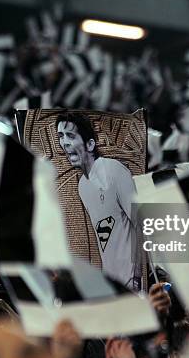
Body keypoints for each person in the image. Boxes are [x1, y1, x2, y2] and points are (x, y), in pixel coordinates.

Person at [56, 112, 140, 289]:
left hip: (132, 277)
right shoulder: (83, 186)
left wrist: (140, 275)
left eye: (70, 135)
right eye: (61, 136)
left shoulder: (113, 170)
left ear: (90, 144)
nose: (64, 142)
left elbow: (141, 223)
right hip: (113, 280)